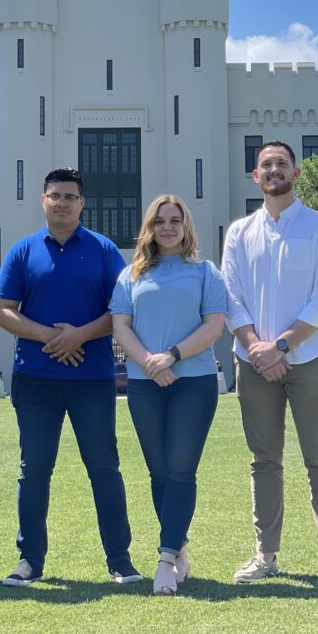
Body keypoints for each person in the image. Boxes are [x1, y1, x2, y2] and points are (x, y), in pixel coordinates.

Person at [0, 167, 141, 587]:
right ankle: (29, 561)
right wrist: (50, 337)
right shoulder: (23, 251)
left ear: (82, 203)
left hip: (92, 379)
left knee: (104, 469)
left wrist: (79, 336)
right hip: (34, 378)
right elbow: (2, 309)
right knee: (34, 469)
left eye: (70, 197)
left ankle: (120, 561)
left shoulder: (104, 250)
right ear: (43, 201)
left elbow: (121, 311)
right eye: (54, 195)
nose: (62, 203)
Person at [221, 141, 318, 585]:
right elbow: (230, 296)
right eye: (265, 165)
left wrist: (283, 346)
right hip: (252, 360)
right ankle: (266, 554)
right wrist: (257, 346)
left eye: (281, 164)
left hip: (308, 357)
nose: (273, 171)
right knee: (264, 461)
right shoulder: (239, 232)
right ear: (255, 177)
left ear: (296, 173)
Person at [110, 195, 227, 595]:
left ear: (185, 226)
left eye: (175, 221)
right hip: (145, 384)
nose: (168, 228)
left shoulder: (205, 272)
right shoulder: (131, 275)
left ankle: (164, 559)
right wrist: (148, 363)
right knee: (158, 473)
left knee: (180, 470)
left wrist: (172, 356)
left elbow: (214, 327)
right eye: (160, 221)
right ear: (150, 227)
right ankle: (180, 550)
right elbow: (120, 326)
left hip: (193, 382)